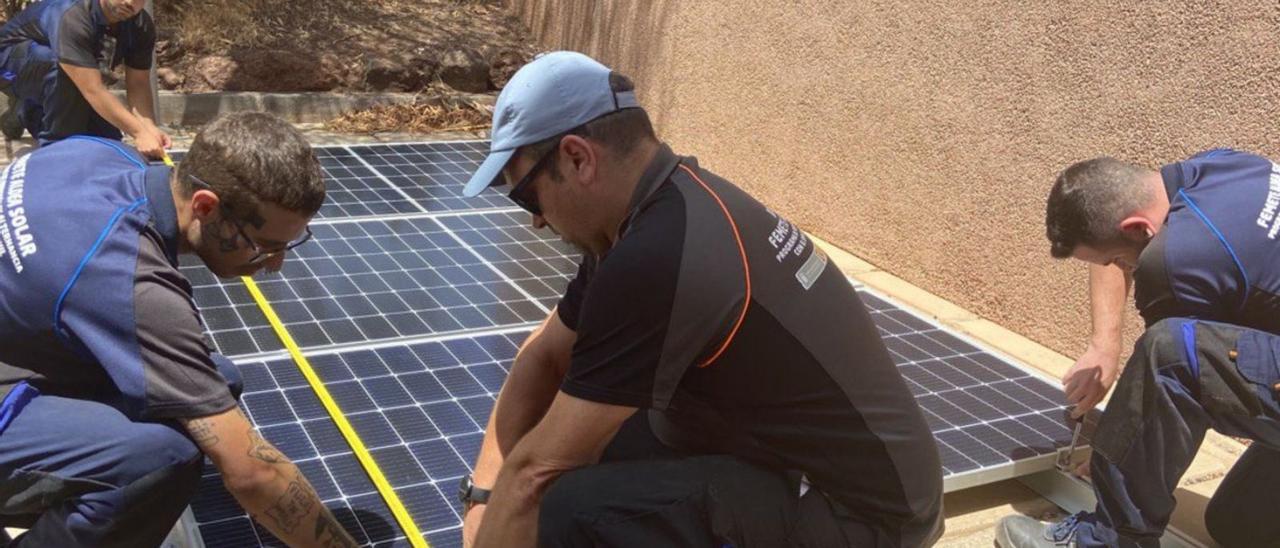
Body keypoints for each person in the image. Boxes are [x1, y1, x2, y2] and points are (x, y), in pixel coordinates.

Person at [456, 51, 945, 548]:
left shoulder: (658, 254)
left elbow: (535, 476)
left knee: (570, 509)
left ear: (578, 158)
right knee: (593, 444)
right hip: (808, 463)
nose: (535, 221)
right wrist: (484, 495)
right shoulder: (649, 216)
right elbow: (543, 355)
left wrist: (501, 511)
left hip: (868, 518)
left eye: (528, 198)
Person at [0, 112, 357, 547]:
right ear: (205, 205)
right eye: (266, 246)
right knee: (160, 458)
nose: (277, 264)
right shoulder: (128, 282)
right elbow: (251, 474)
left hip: (17, 344)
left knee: (215, 381)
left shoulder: (97, 153)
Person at [996, 151, 1280, 547]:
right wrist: (1104, 345)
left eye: (1119, 260)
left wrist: (1119, 454)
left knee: (1170, 357)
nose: (1121, 268)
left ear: (1137, 229)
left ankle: (1109, 540)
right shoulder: (1222, 168)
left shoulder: (1182, 259)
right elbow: (1117, 236)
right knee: (1239, 523)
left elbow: (1166, 387)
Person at [0, 0, 169, 158]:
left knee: (106, 141)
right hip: (8, 67)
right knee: (62, 69)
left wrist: (149, 128)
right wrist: (138, 132)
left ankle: (27, 111)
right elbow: (92, 89)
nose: (130, 2)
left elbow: (138, 83)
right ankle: (57, 149)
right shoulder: (73, 15)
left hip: (68, 75)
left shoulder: (141, 25)